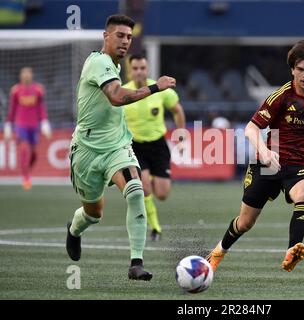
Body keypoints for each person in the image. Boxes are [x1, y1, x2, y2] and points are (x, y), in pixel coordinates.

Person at [206, 40, 304, 273]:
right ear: (292, 70)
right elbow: (251, 128)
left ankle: (292, 249)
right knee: (245, 222)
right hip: (267, 165)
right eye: (300, 69)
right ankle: (217, 253)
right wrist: (264, 153)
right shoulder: (281, 97)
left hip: (299, 166)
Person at [65, 14, 176, 281]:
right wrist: (155, 87)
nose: (125, 41)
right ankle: (74, 230)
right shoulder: (98, 62)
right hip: (87, 151)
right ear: (106, 36)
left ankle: (136, 263)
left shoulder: (113, 66)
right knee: (93, 214)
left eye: (129, 37)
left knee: (136, 190)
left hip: (116, 147)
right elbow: (116, 98)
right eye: (120, 35)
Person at [123, 54, 186, 241]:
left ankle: (150, 177)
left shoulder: (161, 90)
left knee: (162, 194)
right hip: (135, 147)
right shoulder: (123, 92)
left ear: (147, 68)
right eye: (135, 68)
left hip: (158, 145)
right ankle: (155, 228)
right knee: (144, 188)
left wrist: (181, 135)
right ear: (129, 70)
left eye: (142, 68)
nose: (139, 72)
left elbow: (177, 110)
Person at [3, 67, 51, 190]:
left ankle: (27, 168)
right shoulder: (16, 91)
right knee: (24, 149)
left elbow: (41, 108)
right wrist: (8, 126)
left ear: (31, 76)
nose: (26, 76)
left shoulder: (38, 90)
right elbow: (12, 110)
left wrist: (45, 123)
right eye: (24, 74)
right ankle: (25, 176)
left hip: (34, 126)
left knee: (34, 154)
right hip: (21, 125)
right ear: (20, 76)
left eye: (28, 74)